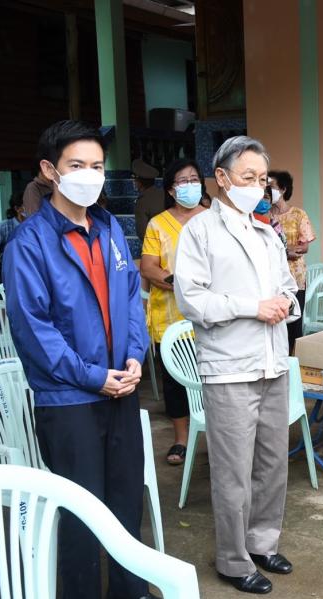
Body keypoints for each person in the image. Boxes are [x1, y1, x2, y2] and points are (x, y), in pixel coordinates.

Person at [3, 120, 150, 599]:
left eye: (98, 166)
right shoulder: (29, 243)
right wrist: (92, 376)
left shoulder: (109, 229)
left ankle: (129, 592)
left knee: (126, 504)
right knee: (81, 513)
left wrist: (134, 356)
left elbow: (132, 299)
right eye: (77, 165)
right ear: (50, 170)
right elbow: (34, 330)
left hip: (120, 386)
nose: (90, 175)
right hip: (69, 399)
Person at [175, 136, 300, 596]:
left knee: (273, 463)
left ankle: (262, 543)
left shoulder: (266, 232)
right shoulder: (200, 231)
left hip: (272, 363)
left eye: (263, 178)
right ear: (222, 178)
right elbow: (192, 300)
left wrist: (286, 303)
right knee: (232, 473)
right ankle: (232, 558)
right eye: (248, 176)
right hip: (229, 368)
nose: (258, 186)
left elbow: (288, 287)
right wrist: (253, 307)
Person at [140, 158, 206, 466]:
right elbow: (149, 267)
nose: (190, 185)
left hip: (211, 317)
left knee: (216, 379)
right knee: (176, 383)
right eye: (183, 181)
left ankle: (221, 436)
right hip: (171, 319)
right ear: (170, 189)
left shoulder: (215, 219)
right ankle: (181, 439)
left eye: (194, 179)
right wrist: (182, 284)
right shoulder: (157, 224)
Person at [269, 169, 315, 352]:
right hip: (271, 276)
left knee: (293, 321)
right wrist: (287, 250)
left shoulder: (298, 214)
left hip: (295, 277)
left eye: (272, 186)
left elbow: (303, 247)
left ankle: (293, 360)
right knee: (274, 321)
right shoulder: (264, 215)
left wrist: (282, 251)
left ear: (283, 189)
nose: (267, 190)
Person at [132, 158, 166, 239]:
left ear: (140, 182)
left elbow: (142, 234)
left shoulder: (142, 202)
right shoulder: (163, 194)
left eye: (135, 179)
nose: (133, 181)